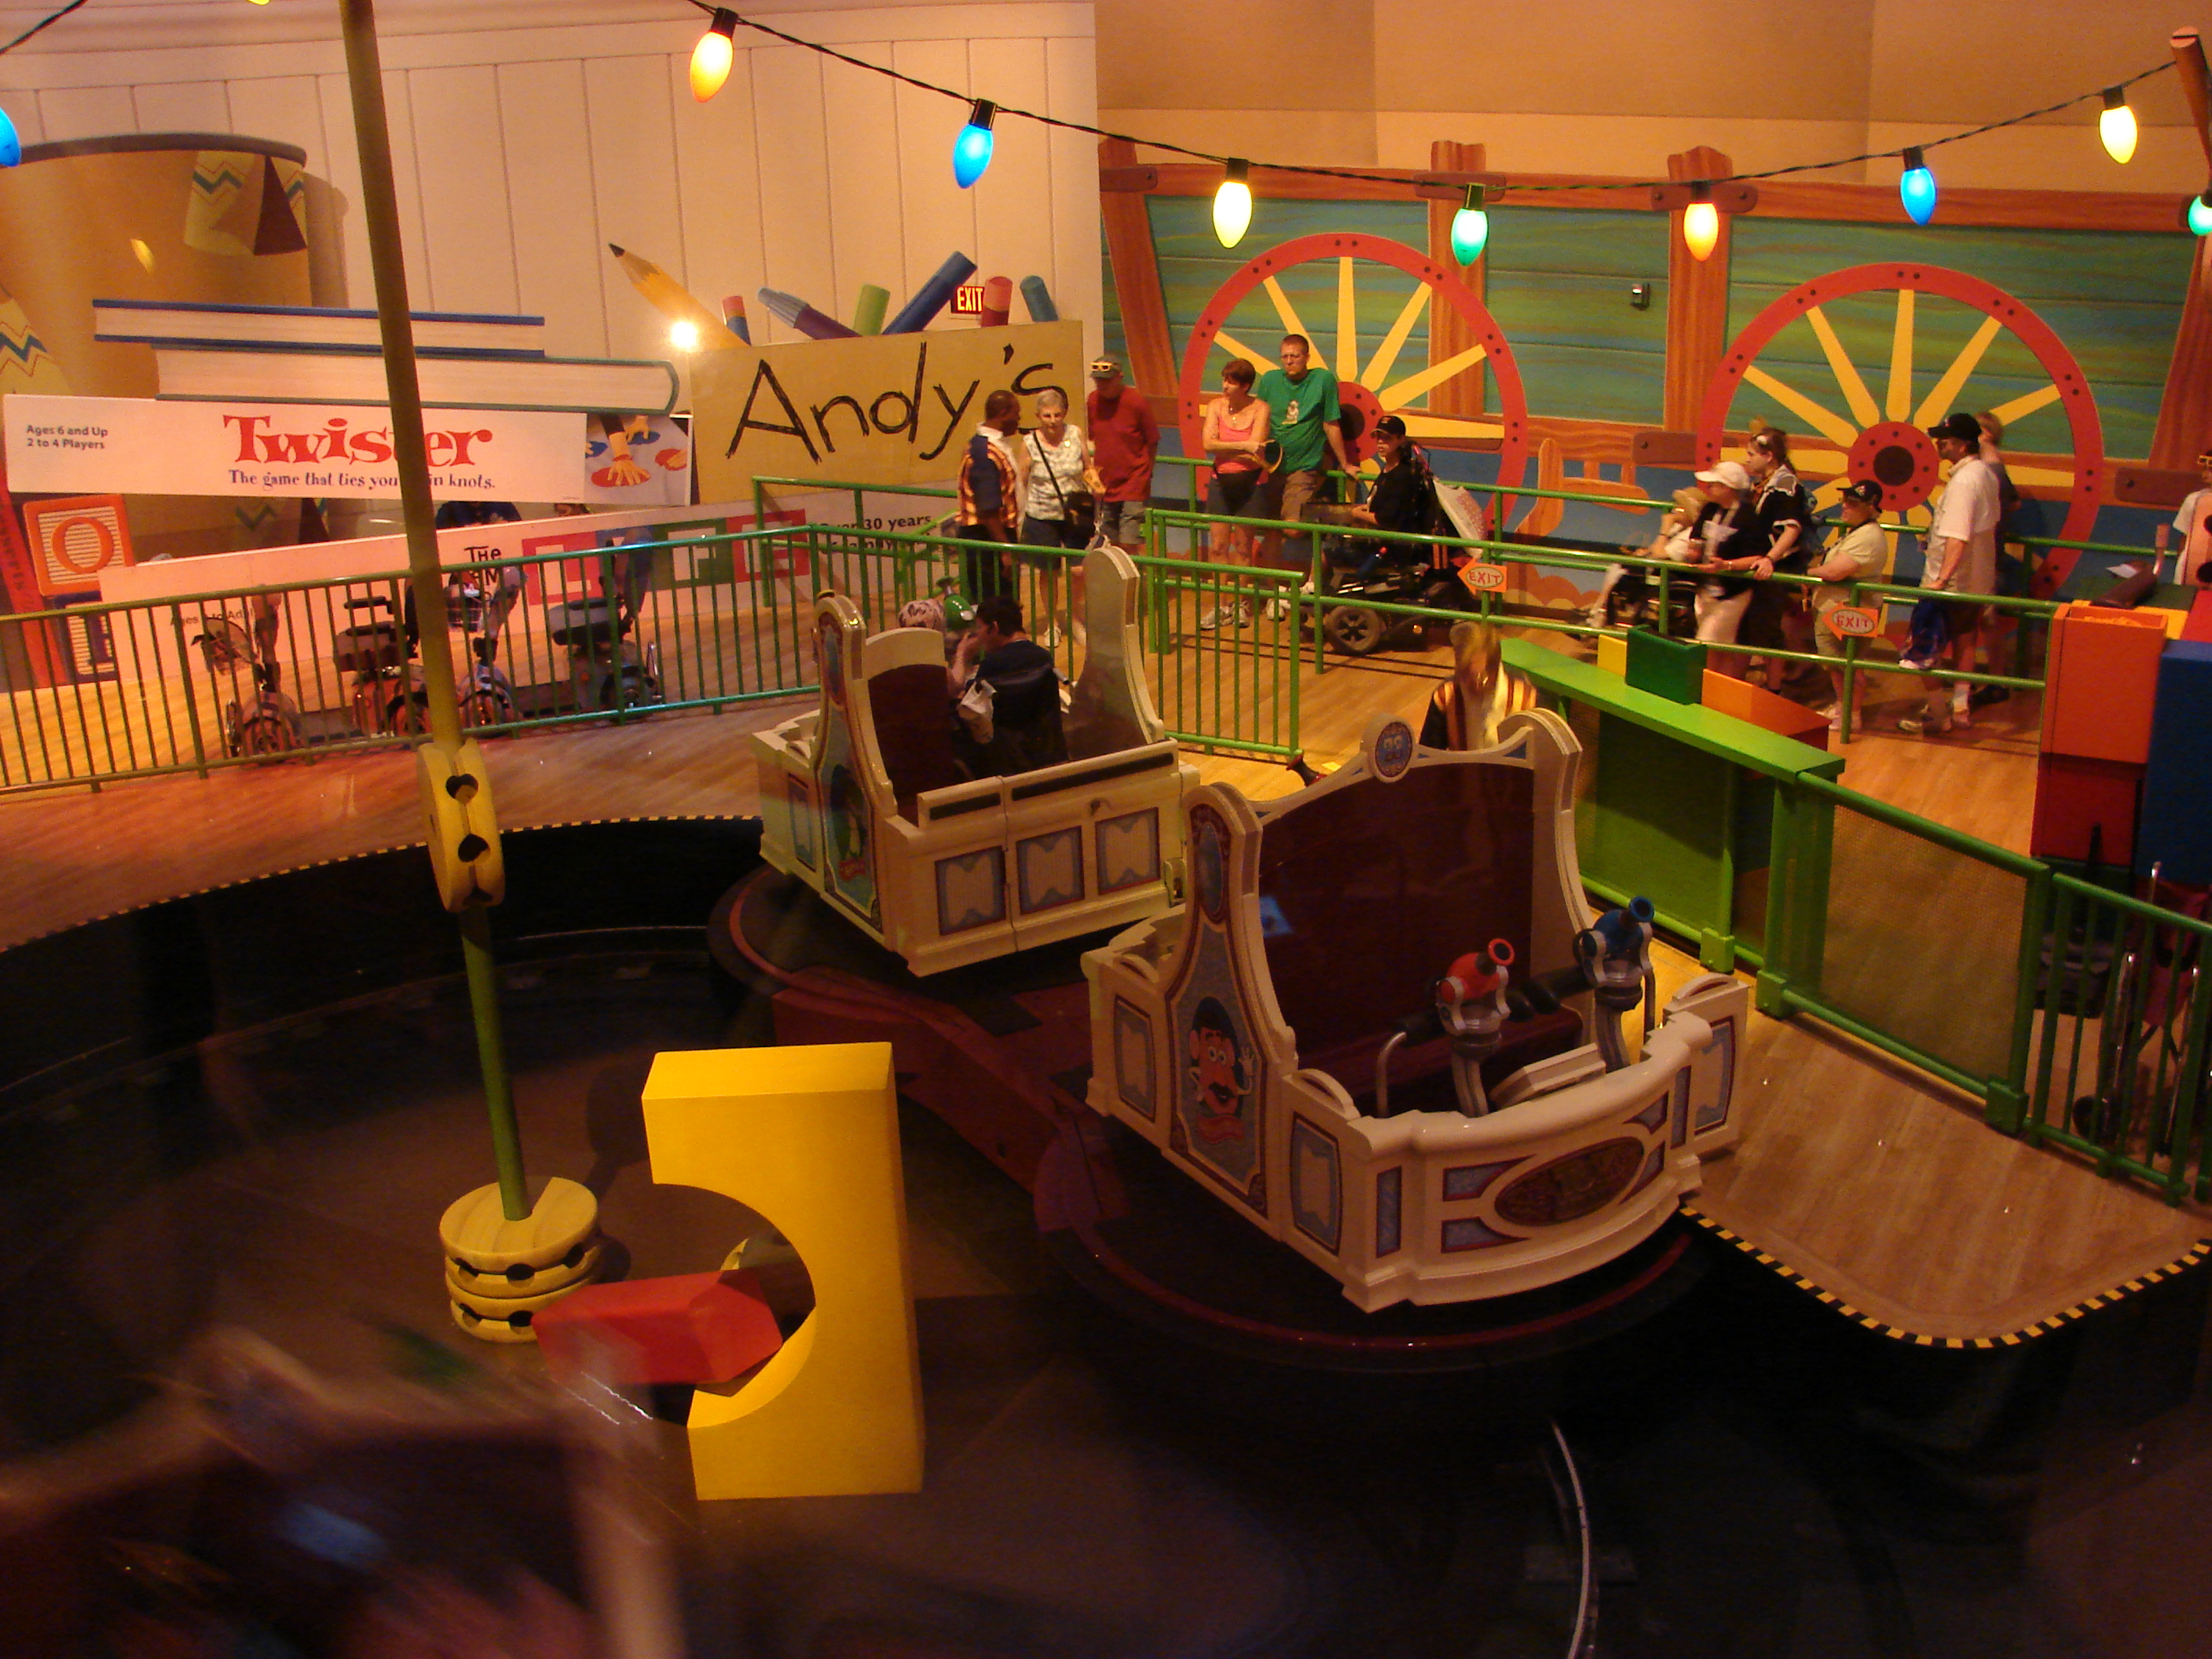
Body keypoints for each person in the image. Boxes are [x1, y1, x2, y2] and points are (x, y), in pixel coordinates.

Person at [1900, 412, 2001, 737]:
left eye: (1946, 440)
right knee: (1966, 640)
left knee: (1922, 651)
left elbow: (1958, 536)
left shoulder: (1964, 482)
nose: (1939, 444)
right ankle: (1960, 708)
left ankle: (1938, 713)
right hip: (1976, 581)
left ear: (1962, 444)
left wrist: (1941, 581)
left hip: (1951, 584)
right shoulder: (1985, 474)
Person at [1254, 332, 1357, 606]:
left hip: (1305, 466)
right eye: (1285, 356)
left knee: (1293, 529)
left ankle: (1314, 571)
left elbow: (1330, 423)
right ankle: (1273, 592)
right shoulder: (1270, 380)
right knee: (1271, 529)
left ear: (1306, 357)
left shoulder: (1322, 380)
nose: (1289, 361)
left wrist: (1345, 462)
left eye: (1295, 356)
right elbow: (1259, 420)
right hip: (1273, 466)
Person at [947, 593, 1066, 776]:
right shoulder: (1044, 658)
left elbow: (968, 704)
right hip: (1045, 755)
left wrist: (962, 656)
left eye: (980, 627)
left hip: (1006, 762)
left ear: (994, 627)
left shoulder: (993, 665)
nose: (979, 635)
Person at [1811, 479, 1889, 734]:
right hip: (1838, 608)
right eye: (1845, 500)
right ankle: (1842, 708)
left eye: (1853, 503)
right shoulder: (1858, 531)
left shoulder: (1868, 536)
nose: (1845, 506)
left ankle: (1850, 716)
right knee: (1838, 665)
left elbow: (1835, 572)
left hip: (1848, 610)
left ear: (1871, 507)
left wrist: (1808, 573)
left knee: (1846, 665)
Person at [1738, 424, 1815, 687]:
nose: (1747, 459)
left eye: (1751, 454)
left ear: (1769, 456)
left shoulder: (1785, 486)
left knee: (1771, 628)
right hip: (1759, 564)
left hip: (1776, 567)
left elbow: (1791, 529)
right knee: (1759, 625)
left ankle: (1774, 688)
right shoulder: (1764, 484)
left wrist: (1770, 559)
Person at [1198, 358, 1272, 628]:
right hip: (1220, 482)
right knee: (1218, 546)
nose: (1225, 386)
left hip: (1251, 483)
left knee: (1243, 547)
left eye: (1231, 382)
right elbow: (1208, 444)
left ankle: (1240, 604)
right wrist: (1244, 445)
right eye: (1224, 380)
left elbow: (1257, 453)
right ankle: (1221, 605)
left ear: (1245, 386)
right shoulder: (1215, 406)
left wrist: (1228, 447)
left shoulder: (1261, 408)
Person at [1019, 387, 1092, 647]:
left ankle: (1075, 617)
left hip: (1074, 514)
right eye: (1047, 416)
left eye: (1057, 415)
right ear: (1038, 416)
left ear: (1065, 413)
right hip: (1042, 515)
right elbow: (1023, 479)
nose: (1052, 421)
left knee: (1079, 570)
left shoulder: (1075, 434)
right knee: (1048, 571)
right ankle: (1052, 623)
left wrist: (1095, 486)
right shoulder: (1029, 442)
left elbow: (1088, 467)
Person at [1683, 459, 1766, 679]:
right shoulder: (1710, 510)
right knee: (1720, 647)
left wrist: (1727, 566)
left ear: (1728, 488)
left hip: (1732, 593)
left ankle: (1705, 687)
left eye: (1715, 484)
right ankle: (1722, 688)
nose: (1709, 488)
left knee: (1708, 643)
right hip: (1705, 590)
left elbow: (1757, 557)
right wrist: (1693, 552)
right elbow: (1696, 538)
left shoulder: (1748, 517)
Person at [1586, 487, 1704, 630]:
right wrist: (1646, 552)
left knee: (1619, 571)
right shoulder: (1678, 528)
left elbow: (1659, 554)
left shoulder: (1689, 534)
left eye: (1680, 508)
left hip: (1670, 576)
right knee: (1618, 567)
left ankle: (1598, 615)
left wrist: (1665, 529)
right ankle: (1598, 613)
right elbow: (1655, 549)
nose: (1675, 510)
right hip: (1657, 569)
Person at [954, 389, 1022, 599]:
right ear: (1003, 414)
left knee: (1004, 600)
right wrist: (1005, 550)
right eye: (1016, 414)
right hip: (988, 541)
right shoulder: (984, 454)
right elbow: (988, 509)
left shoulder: (990, 446)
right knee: (995, 603)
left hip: (995, 537)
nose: (1019, 420)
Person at [1086, 357, 1158, 552]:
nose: (1102, 385)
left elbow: (1152, 440)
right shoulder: (1093, 401)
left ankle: (1133, 572)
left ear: (1119, 377)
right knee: (1107, 541)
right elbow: (1095, 437)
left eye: (1107, 380)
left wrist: (1145, 475)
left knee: (1130, 542)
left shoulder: (1136, 402)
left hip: (1134, 481)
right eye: (1098, 380)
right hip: (1105, 483)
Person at [2156, 447, 2212, 585]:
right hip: (2193, 561)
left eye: (2210, 470)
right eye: (2204, 469)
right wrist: (2182, 564)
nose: (2205, 474)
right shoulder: (2194, 500)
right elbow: (2185, 536)